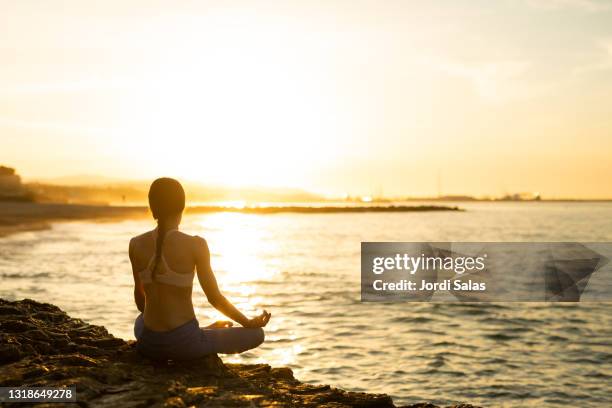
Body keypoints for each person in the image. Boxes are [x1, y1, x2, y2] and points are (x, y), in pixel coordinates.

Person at [129, 177, 271, 360]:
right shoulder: (196, 245)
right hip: (185, 345)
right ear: (182, 207)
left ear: (152, 207)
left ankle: (205, 331)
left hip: (148, 344)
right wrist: (248, 322)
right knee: (257, 335)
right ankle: (204, 334)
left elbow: (141, 304)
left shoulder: (135, 244)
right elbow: (215, 298)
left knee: (140, 321)